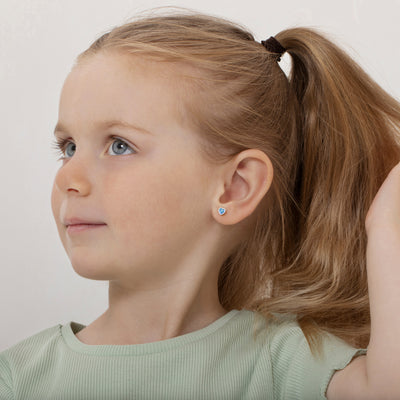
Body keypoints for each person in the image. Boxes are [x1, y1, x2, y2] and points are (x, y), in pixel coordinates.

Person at [1, 8, 400, 400]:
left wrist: (385, 228)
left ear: (235, 188)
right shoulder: (19, 378)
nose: (68, 178)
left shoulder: (279, 361)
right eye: (68, 148)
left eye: (119, 145)